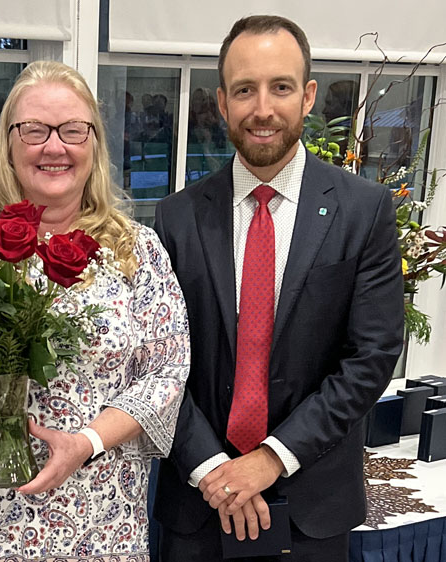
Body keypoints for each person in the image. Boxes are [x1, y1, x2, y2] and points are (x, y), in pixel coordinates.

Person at [0, 60, 190, 561]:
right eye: (34, 130)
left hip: (99, 518)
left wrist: (87, 441)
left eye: (72, 130)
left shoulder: (136, 251)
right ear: (9, 145)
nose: (54, 147)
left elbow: (168, 370)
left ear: (94, 144)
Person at [153, 15, 404, 562]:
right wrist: (213, 468)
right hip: (199, 504)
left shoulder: (364, 211)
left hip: (312, 507)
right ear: (221, 102)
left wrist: (269, 458)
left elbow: (372, 355)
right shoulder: (176, 218)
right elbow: (159, 361)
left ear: (308, 96)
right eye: (244, 90)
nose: (262, 109)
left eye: (281, 87)